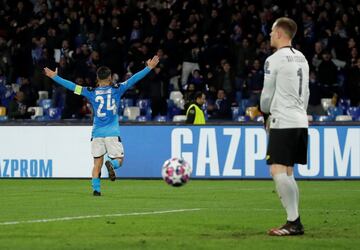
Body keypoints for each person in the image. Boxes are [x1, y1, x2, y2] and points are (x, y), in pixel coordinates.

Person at [44, 55, 159, 196]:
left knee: (97, 163)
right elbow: (134, 79)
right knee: (119, 160)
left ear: (97, 79)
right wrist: (149, 67)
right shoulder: (117, 89)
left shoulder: (90, 92)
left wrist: (55, 77)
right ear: (110, 78)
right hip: (112, 132)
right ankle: (112, 165)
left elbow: (72, 86)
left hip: (97, 133)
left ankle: (96, 190)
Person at [260, 17, 309, 236]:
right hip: (300, 119)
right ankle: (294, 220)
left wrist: (266, 114)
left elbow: (266, 96)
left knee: (277, 170)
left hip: (284, 121)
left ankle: (293, 221)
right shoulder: (302, 58)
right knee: (288, 172)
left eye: (272, 31)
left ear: (279, 33)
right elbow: (306, 93)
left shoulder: (274, 60)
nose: (269, 34)